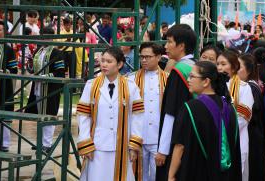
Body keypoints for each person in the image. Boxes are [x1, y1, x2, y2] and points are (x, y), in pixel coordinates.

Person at [77, 47, 144, 181]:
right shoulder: (91, 85)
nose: (104, 64)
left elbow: (137, 117)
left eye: (109, 61)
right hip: (97, 146)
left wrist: (134, 144)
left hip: (122, 146)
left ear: (119, 64)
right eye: (102, 61)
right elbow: (84, 116)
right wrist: (85, 143)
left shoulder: (131, 86)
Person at [168, 61, 241, 181]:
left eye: (192, 76)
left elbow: (180, 145)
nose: (188, 79)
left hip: (197, 172)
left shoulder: (190, 108)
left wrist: (171, 175)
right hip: (226, 175)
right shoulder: (229, 107)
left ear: (206, 81)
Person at [155, 24, 197, 181]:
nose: (166, 46)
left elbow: (171, 112)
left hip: (177, 141)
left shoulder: (179, 72)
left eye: (169, 42)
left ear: (181, 46)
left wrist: (163, 150)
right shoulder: (195, 66)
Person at [128, 42, 168, 181]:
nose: (143, 60)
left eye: (148, 57)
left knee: (159, 175)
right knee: (137, 175)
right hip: (137, 137)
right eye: (141, 57)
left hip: (159, 137)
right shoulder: (131, 79)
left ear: (158, 57)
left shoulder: (168, 79)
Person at [25, 27, 65, 152]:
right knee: (40, 114)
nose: (44, 39)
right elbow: (33, 69)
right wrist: (30, 65)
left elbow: (60, 73)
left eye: (47, 36)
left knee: (49, 114)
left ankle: (47, 144)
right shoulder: (38, 51)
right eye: (43, 36)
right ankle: (41, 142)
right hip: (38, 87)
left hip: (50, 87)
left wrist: (43, 77)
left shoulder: (56, 52)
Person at [217, 50, 254, 181]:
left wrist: (220, 129)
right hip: (215, 142)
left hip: (236, 139)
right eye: (218, 64)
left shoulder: (244, 88)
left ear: (233, 67)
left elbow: (243, 118)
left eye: (223, 64)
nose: (219, 67)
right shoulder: (212, 86)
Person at [238, 54, 265, 181]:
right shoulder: (248, 86)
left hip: (252, 141)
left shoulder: (250, 88)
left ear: (249, 71)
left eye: (238, 67)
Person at [0, 20, 18, 152]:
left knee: (4, 115)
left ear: (5, 32)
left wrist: (3, 71)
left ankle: (4, 144)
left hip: (1, 86)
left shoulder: (8, 49)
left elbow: (14, 70)